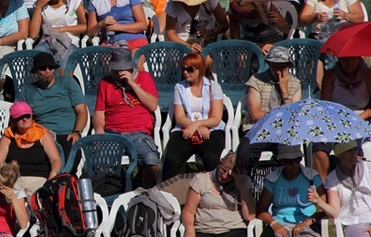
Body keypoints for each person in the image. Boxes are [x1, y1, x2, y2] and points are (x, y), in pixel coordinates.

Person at [93, 47, 161, 186]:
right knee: (98, 163)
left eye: (122, 69)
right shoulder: (105, 83)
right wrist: (100, 137)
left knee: (152, 162)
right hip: (112, 133)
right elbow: (99, 113)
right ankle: (116, 188)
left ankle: (143, 187)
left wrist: (133, 84)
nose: (119, 72)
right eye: (116, 69)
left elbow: (153, 105)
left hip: (139, 133)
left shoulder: (144, 77)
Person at [237, 46, 303, 173]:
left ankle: (284, 186)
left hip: (283, 131)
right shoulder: (256, 80)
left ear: (288, 66)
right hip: (258, 128)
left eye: (282, 67)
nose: (278, 71)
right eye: (274, 66)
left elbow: (293, 115)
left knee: (290, 156)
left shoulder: (295, 84)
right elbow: (255, 114)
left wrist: (284, 90)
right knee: (245, 153)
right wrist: (281, 117)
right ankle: (245, 185)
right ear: (269, 64)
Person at [161, 52, 226, 180]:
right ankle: (168, 194)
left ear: (200, 69)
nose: (185, 72)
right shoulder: (179, 87)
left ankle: (215, 190)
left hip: (212, 130)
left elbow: (216, 118)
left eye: (189, 69)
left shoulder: (214, 86)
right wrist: (195, 127)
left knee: (211, 158)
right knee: (171, 159)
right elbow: (179, 117)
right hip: (185, 128)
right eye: (183, 68)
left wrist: (198, 124)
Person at [310, 141, 371, 237]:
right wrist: (319, 201)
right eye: (349, 151)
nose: (354, 154)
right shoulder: (333, 179)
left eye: (355, 149)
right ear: (339, 155)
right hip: (354, 223)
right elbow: (335, 212)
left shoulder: (368, 169)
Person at [16, 52, 88, 161]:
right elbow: (19, 115)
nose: (47, 71)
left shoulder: (67, 83)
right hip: (41, 135)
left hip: (67, 134)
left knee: (70, 161)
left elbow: (82, 111)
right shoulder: (27, 90)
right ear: (35, 72)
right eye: (43, 68)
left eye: (51, 67)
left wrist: (76, 132)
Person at [313, 58, 371, 177]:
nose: (348, 63)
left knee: (354, 151)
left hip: (361, 118)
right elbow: (325, 105)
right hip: (334, 118)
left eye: (351, 59)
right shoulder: (330, 75)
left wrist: (357, 119)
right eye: (345, 60)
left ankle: (356, 185)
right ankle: (322, 190)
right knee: (319, 151)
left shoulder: (367, 74)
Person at [0, 102, 62, 196]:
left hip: (38, 180)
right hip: (14, 181)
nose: (25, 119)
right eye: (20, 117)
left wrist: (53, 174)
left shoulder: (42, 134)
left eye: (27, 116)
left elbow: (56, 160)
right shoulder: (8, 136)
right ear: (13, 120)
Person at [29, 0, 87, 68]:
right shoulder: (41, 6)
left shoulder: (73, 1)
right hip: (47, 41)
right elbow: (33, 34)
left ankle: (62, 82)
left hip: (70, 41)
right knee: (39, 63)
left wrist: (60, 29)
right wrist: (38, 7)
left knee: (63, 67)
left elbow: (85, 27)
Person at [164, 0, 228, 54]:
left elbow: (224, 24)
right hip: (181, 42)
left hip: (204, 42)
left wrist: (211, 32)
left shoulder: (210, 1)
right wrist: (187, 46)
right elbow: (170, 33)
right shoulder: (173, 6)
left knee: (209, 59)